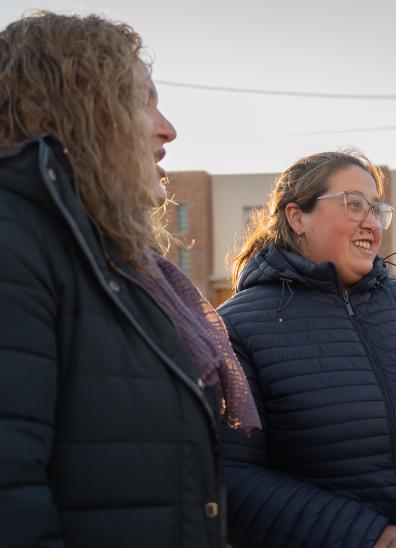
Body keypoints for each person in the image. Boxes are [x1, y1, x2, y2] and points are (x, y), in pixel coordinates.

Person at [0, 12, 259, 547]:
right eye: (144, 100)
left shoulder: (116, 261)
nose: (168, 129)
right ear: (80, 108)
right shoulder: (16, 239)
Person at [217, 150, 396, 548]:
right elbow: (232, 474)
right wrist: (369, 537)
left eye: (377, 209)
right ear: (296, 216)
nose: (372, 223)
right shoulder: (236, 327)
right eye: (354, 205)